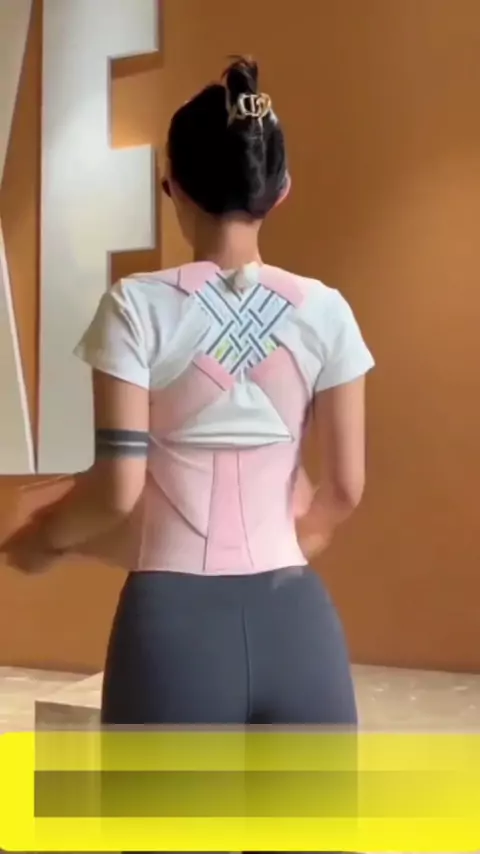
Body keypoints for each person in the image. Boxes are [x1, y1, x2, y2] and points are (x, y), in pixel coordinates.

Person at [3, 57, 373, 847]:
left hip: (172, 630)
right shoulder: (326, 311)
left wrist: (43, 541)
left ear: (170, 186)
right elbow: (344, 489)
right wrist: (271, 555)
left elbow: (117, 489)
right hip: (298, 624)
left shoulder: (137, 308)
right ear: (280, 189)